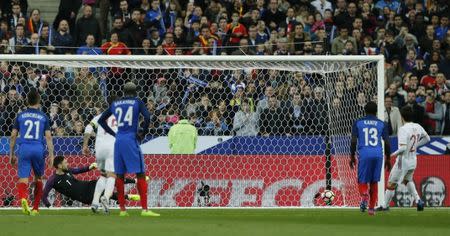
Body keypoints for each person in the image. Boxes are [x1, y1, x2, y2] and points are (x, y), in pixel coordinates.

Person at [98, 82, 159, 217]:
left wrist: (114, 134)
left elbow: (101, 120)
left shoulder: (115, 104)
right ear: (135, 91)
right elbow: (147, 117)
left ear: (123, 92)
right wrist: (143, 133)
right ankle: (144, 210)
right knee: (140, 173)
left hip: (119, 141)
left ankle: (123, 211)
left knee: (119, 175)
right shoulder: (137, 102)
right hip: (131, 139)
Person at [9, 88, 55, 215]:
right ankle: (35, 208)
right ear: (39, 101)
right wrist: (51, 155)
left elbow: (13, 136)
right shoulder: (43, 116)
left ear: (26, 101)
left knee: (23, 178)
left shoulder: (20, 116)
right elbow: (49, 137)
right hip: (38, 148)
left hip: (24, 148)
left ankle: (24, 199)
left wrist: (11, 154)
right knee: (38, 178)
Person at [380, 106, 430, 211]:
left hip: (403, 161)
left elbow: (402, 148)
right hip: (413, 160)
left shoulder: (403, 129)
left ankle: (384, 206)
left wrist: (391, 155)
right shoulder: (418, 126)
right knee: (407, 180)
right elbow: (427, 138)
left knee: (391, 183)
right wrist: (416, 146)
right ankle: (418, 200)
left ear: (401, 117)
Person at [42, 155, 140, 208]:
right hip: (83, 195)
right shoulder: (53, 179)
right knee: (103, 192)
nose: (68, 164)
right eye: (65, 163)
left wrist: (90, 167)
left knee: (109, 178)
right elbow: (44, 195)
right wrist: (50, 207)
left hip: (87, 186)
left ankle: (134, 181)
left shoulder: (67, 170)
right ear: (59, 166)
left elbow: (78, 170)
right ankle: (126, 197)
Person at [350, 101, 391, 216]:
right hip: (378, 154)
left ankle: (364, 194)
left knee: (362, 180)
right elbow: (387, 142)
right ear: (376, 111)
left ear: (364, 110)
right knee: (374, 181)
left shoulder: (358, 122)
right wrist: (388, 158)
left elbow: (353, 140)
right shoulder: (382, 124)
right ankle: (371, 209)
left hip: (364, 154)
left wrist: (352, 156)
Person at [82, 97, 118, 213]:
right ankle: (106, 198)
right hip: (112, 148)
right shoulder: (121, 117)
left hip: (99, 149)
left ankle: (95, 202)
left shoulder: (99, 116)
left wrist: (85, 145)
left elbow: (88, 127)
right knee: (112, 175)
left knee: (103, 175)